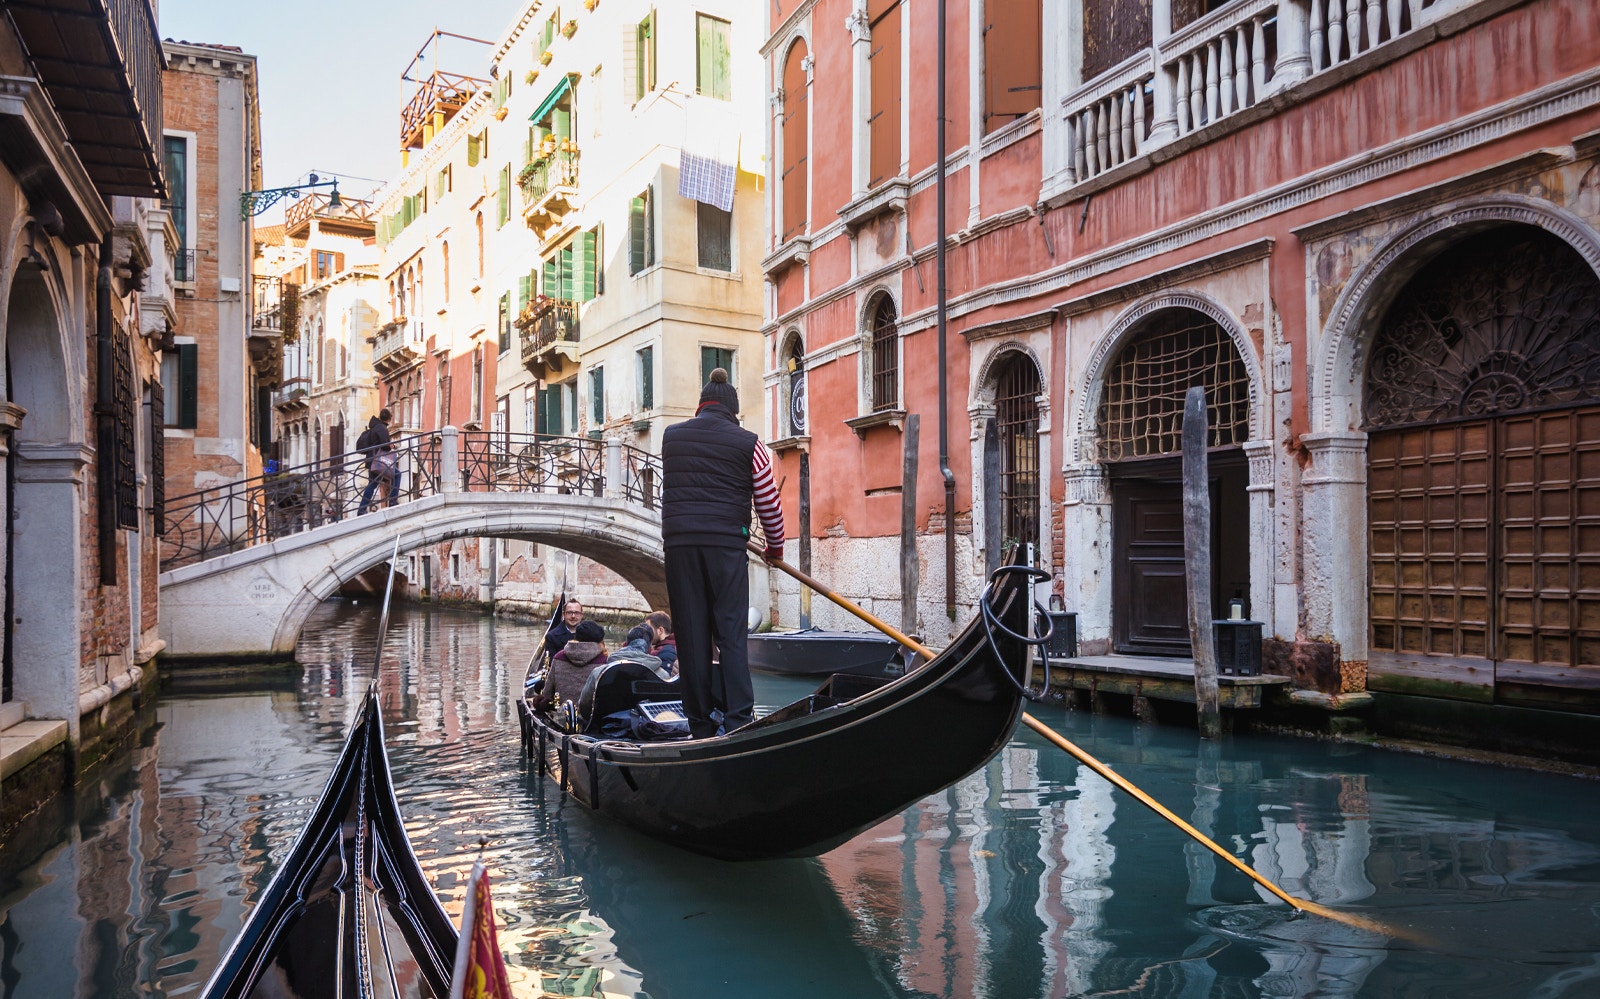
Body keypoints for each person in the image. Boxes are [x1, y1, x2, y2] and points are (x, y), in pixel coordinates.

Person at [659, 367, 784, 738]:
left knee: (692, 635)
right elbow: (769, 503)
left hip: (680, 545)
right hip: (726, 546)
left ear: (700, 407)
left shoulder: (671, 438)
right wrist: (774, 548)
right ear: (733, 411)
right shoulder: (749, 443)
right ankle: (738, 721)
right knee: (731, 634)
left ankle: (700, 725)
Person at [534, 619, 608, 710]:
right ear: (600, 641)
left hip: (562, 714)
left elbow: (547, 694)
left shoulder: (559, 656)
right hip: (591, 717)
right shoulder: (604, 661)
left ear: (576, 637)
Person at [356, 408, 396, 514]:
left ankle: (362, 508)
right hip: (378, 461)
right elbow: (384, 445)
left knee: (373, 484)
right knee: (396, 475)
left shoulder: (375, 426)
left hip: (372, 459)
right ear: (388, 419)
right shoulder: (381, 428)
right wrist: (391, 445)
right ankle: (392, 501)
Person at [646, 610, 677, 676]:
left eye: (649, 629)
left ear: (660, 630)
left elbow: (664, 680)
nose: (646, 632)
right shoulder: (669, 646)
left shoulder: (666, 651)